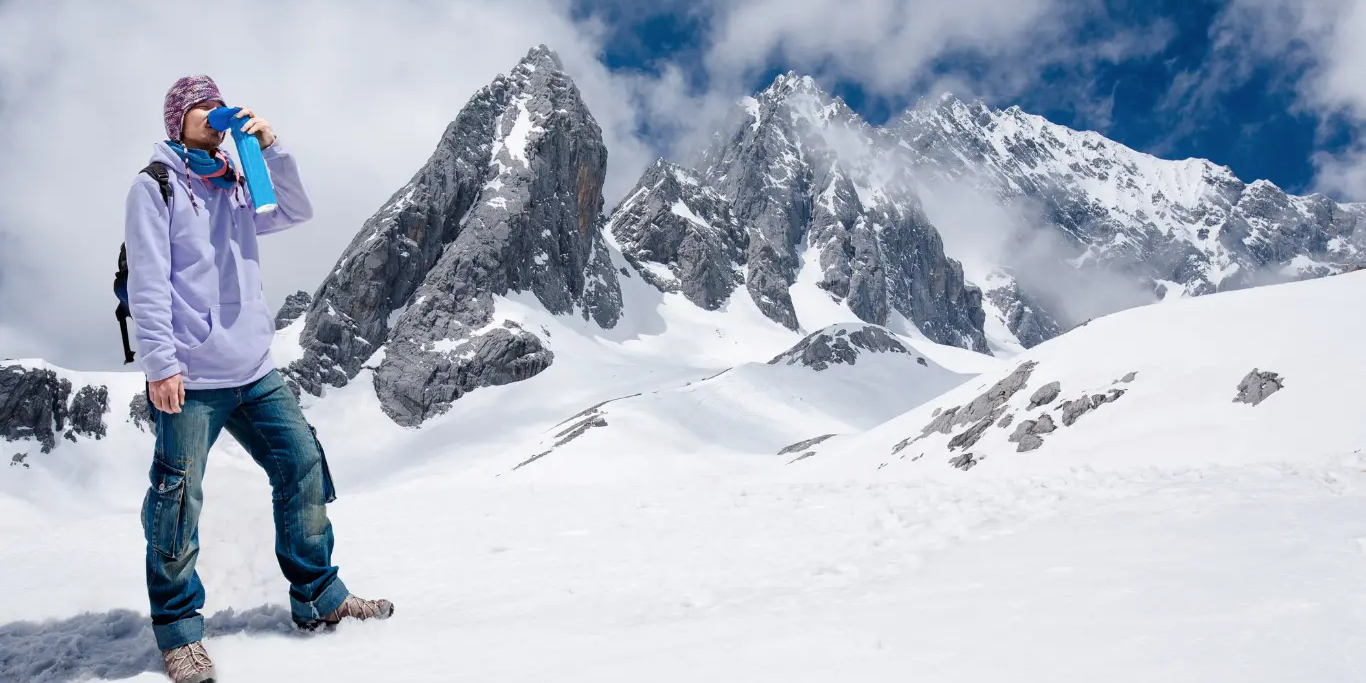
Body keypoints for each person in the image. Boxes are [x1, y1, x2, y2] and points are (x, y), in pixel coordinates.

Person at [125, 74, 391, 683]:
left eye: (216, 103)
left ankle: (319, 598)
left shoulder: (237, 178)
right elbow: (147, 278)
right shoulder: (155, 186)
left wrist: (269, 147)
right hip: (191, 376)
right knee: (176, 497)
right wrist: (161, 364)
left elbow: (295, 210)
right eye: (199, 106)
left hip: (254, 368)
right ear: (177, 120)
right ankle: (178, 633)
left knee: (301, 464)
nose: (211, 112)